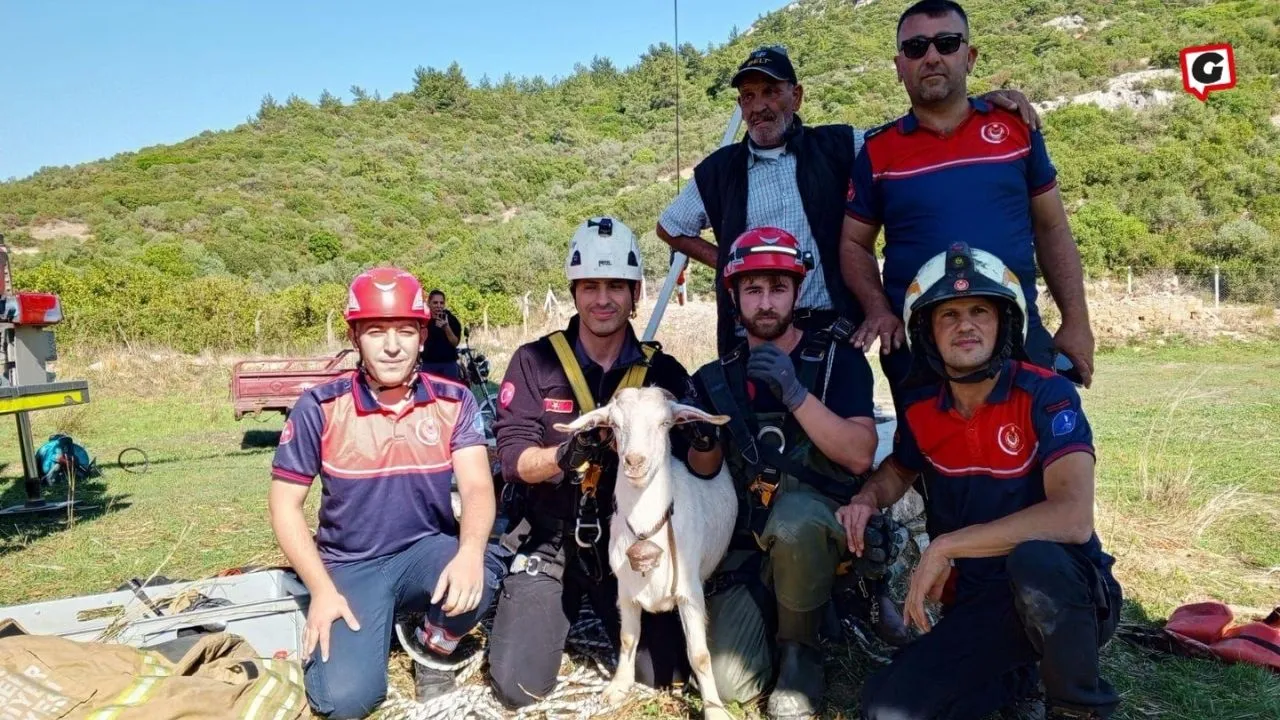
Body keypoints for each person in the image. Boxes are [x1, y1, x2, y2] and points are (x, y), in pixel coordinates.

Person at [838, 243, 1122, 720]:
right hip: (980, 605)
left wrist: (947, 546)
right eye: (947, 314)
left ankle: (1078, 705)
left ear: (1004, 323)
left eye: (979, 311)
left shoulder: (1045, 393)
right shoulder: (924, 410)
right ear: (927, 331)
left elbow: (1072, 518)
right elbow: (901, 467)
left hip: (1067, 593)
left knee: (1037, 559)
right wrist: (867, 498)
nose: (965, 325)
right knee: (888, 710)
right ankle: (1018, 678)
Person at [656, 44, 1041, 357]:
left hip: (832, 330)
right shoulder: (717, 170)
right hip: (753, 334)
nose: (758, 106)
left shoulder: (840, 145)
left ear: (797, 96)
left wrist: (971, 108)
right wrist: (729, 263)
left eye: (771, 92)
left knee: (842, 443)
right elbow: (670, 227)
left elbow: (906, 136)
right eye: (748, 96)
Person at [486, 217, 724, 708]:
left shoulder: (663, 372)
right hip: (554, 540)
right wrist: (563, 456)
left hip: (633, 546)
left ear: (636, 293)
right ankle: (554, 611)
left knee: (664, 673)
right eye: (590, 285)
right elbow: (511, 459)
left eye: (616, 285)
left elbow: (704, 470)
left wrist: (704, 438)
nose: (602, 299)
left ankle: (608, 614)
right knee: (517, 684)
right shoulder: (534, 361)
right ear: (573, 292)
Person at [268, 267, 506, 719]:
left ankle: (431, 642)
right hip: (350, 564)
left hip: (426, 552)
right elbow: (284, 505)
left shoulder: (454, 400)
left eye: (404, 331)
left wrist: (471, 552)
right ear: (356, 337)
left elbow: (476, 486)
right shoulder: (320, 406)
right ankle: (377, 620)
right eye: (376, 331)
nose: (392, 345)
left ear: (422, 335)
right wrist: (321, 589)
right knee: (344, 701)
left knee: (488, 573)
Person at [690, 228, 908, 720]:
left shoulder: (839, 360)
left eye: (777, 288)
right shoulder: (715, 377)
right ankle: (794, 607)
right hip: (750, 542)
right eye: (752, 290)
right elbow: (704, 475)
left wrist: (795, 395)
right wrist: (701, 438)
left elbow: (858, 455)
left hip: (820, 529)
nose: (766, 303)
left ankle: (799, 651)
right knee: (729, 689)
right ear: (734, 297)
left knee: (793, 522)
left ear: (797, 289)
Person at [841, 0, 1095, 419]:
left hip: (1017, 335)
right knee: (933, 475)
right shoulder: (876, 150)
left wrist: (1077, 321)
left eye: (947, 42)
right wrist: (878, 309)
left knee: (1039, 467)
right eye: (916, 47)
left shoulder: (1017, 129)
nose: (932, 56)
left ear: (970, 56)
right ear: (899, 65)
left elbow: (1052, 229)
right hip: (919, 350)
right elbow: (853, 244)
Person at [420, 289, 464, 382]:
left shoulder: (452, 320)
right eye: (435, 303)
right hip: (429, 364)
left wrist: (446, 327)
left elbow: (455, 343)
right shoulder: (423, 320)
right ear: (429, 303)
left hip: (448, 365)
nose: (439, 306)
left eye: (441, 303)